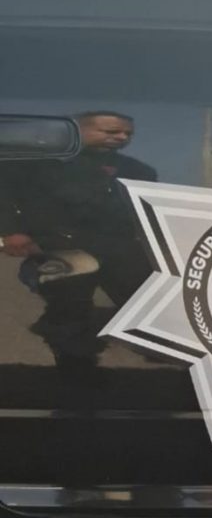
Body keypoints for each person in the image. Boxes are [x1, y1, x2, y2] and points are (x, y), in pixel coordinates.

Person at [0, 111, 156, 376]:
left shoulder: (140, 171)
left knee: (148, 298)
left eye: (127, 134)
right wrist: (10, 232)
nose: (121, 137)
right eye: (110, 131)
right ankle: (74, 363)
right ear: (78, 131)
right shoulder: (38, 165)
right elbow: (5, 197)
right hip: (57, 245)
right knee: (70, 302)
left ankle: (161, 348)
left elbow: (151, 211)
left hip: (121, 247)